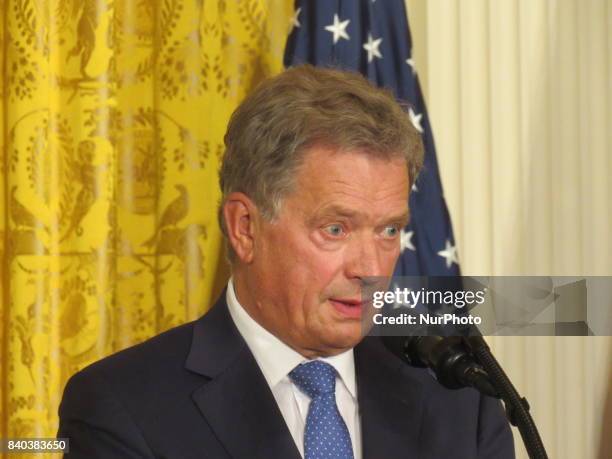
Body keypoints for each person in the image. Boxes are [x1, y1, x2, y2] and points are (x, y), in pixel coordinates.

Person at [58, 65, 514, 458]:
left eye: (389, 230)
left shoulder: (457, 397)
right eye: (335, 229)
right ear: (245, 228)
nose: (370, 268)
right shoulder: (123, 406)